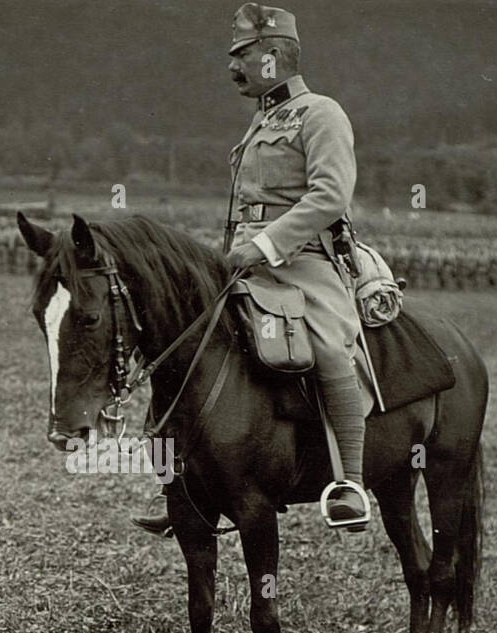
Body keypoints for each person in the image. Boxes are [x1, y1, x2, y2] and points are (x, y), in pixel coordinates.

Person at [133, 3, 370, 536]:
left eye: (242, 55)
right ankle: (187, 483)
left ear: (274, 55)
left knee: (331, 343)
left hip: (305, 262)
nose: (232, 67)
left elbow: (331, 195)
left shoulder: (321, 114)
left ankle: (349, 483)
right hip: (244, 264)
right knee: (188, 343)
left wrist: (264, 245)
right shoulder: (261, 120)